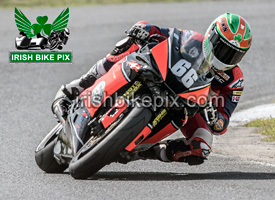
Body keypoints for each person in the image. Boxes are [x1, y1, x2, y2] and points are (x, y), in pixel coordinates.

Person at [52, 13, 252, 165]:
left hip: (186, 106)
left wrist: (213, 115)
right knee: (129, 45)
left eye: (234, 54)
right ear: (211, 36)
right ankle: (80, 85)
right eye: (223, 48)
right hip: (160, 75)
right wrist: (143, 29)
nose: (226, 57)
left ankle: (146, 151)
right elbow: (161, 33)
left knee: (203, 146)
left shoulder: (234, 80)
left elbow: (222, 124)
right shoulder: (193, 40)